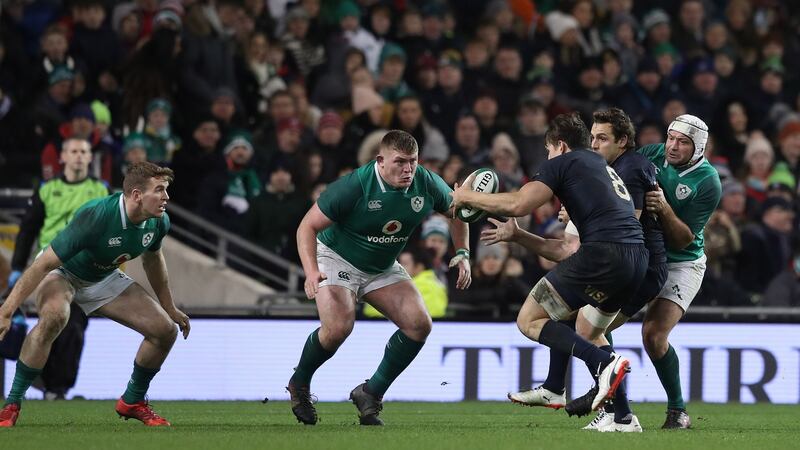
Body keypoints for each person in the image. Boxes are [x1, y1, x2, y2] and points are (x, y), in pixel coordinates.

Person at [451, 112, 647, 415]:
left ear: (561, 146)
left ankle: (603, 363)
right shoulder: (599, 168)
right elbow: (566, 249)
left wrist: (468, 197)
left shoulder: (565, 163)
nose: (548, 157)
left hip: (603, 255)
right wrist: (518, 235)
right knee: (583, 326)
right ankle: (616, 414)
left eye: (548, 150)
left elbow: (518, 203)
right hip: (635, 261)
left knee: (529, 319)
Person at [288, 130, 472, 426]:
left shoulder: (425, 182)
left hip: (382, 264)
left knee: (419, 325)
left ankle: (370, 393)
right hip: (337, 256)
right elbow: (306, 227)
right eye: (400, 162)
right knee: (337, 328)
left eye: (412, 161)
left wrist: (462, 252)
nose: (408, 169)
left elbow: (457, 210)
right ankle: (300, 384)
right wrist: (311, 271)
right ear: (380, 161)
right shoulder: (354, 186)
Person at [0, 162, 190, 428]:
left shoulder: (158, 222)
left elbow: (153, 261)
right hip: (62, 273)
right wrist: (6, 311)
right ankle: (11, 404)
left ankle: (132, 401)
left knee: (165, 330)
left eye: (166, 190)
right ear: (136, 195)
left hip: (102, 277)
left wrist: (169, 307)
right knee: (55, 317)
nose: (166, 198)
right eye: (159, 190)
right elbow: (42, 265)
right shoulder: (97, 216)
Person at [567, 114, 721, 429]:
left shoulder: (707, 181)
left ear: (698, 147)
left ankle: (677, 410)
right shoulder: (650, 155)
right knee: (595, 320)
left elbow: (683, 238)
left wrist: (663, 208)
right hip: (643, 256)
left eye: (683, 142)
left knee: (653, 335)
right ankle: (611, 397)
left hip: (682, 262)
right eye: (671, 138)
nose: (673, 147)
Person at [8, 138, 110, 401]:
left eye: (83, 152)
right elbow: (28, 229)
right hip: (52, 267)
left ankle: (57, 388)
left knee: (74, 327)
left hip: (87, 268)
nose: (78, 156)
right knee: (53, 321)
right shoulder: (46, 189)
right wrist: (18, 267)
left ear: (90, 158)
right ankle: (50, 384)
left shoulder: (101, 190)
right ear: (62, 157)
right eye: (73, 151)